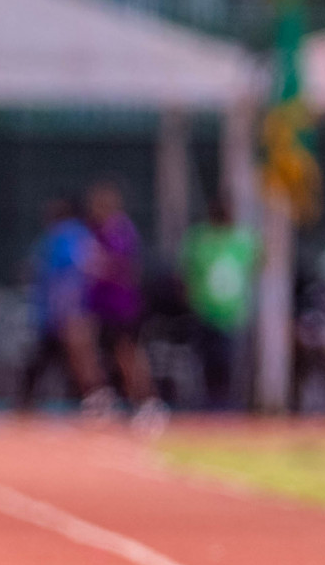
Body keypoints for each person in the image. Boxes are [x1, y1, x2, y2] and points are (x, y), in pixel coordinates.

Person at [85, 181, 165, 430]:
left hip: (122, 306)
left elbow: (123, 266)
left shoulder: (120, 231)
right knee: (105, 356)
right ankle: (108, 399)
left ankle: (148, 402)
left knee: (127, 356)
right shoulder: (99, 231)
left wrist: (97, 264)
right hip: (102, 306)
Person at [20, 195, 108, 411]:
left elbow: (76, 271)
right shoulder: (76, 234)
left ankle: (98, 398)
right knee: (49, 359)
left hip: (66, 312)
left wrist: (69, 308)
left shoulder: (66, 234)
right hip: (62, 311)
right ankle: (95, 399)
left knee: (80, 359)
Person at [180, 200, 260, 411]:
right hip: (205, 310)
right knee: (207, 360)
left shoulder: (239, 240)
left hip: (231, 312)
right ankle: (209, 403)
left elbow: (258, 261)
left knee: (228, 360)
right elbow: (187, 272)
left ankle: (226, 403)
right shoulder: (200, 239)